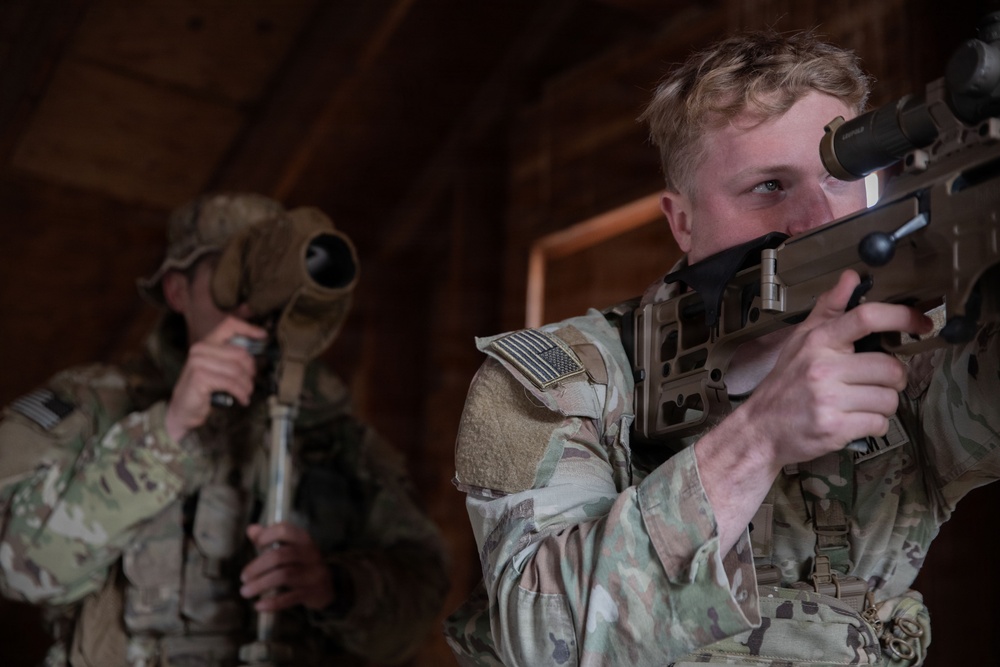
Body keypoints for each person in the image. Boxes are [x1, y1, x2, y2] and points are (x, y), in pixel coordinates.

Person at [443, 29, 1000, 666]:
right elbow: (544, 641)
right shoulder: (557, 378)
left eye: (842, 177)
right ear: (681, 220)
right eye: (768, 186)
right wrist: (760, 437)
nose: (820, 218)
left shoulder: (917, 353)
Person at [0, 192, 450, 666]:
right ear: (177, 291)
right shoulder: (92, 405)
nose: (254, 297)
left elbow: (423, 598)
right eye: (233, 272)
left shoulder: (331, 430)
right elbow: (18, 571)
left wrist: (336, 588)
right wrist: (168, 431)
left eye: (269, 275)